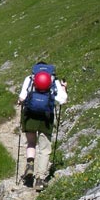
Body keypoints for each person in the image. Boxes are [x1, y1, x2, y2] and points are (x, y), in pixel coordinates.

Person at [17, 62, 68, 190]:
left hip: (30, 115)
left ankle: (30, 164)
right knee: (44, 148)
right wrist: (63, 88)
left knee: (31, 143)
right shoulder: (54, 80)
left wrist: (20, 102)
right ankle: (39, 180)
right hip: (46, 117)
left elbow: (22, 98)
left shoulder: (29, 79)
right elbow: (62, 100)